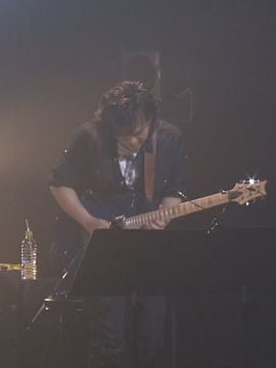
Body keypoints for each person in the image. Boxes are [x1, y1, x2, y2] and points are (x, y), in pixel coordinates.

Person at [49, 80, 188, 367]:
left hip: (149, 248)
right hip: (100, 247)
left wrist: (164, 215)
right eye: (123, 135)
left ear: (151, 119)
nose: (132, 141)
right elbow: (60, 184)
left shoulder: (170, 138)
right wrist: (89, 221)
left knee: (153, 337)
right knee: (108, 340)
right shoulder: (89, 136)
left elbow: (173, 189)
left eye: (138, 133)